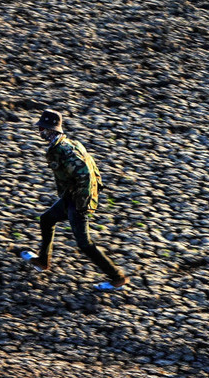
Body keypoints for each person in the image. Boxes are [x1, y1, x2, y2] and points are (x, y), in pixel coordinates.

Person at [21, 109, 129, 291]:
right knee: (46, 219)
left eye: (42, 128)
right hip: (72, 195)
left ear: (51, 130)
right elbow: (90, 165)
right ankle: (42, 261)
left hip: (79, 200)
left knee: (84, 244)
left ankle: (117, 278)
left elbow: (85, 174)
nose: (40, 131)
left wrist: (82, 203)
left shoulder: (63, 150)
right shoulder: (66, 144)